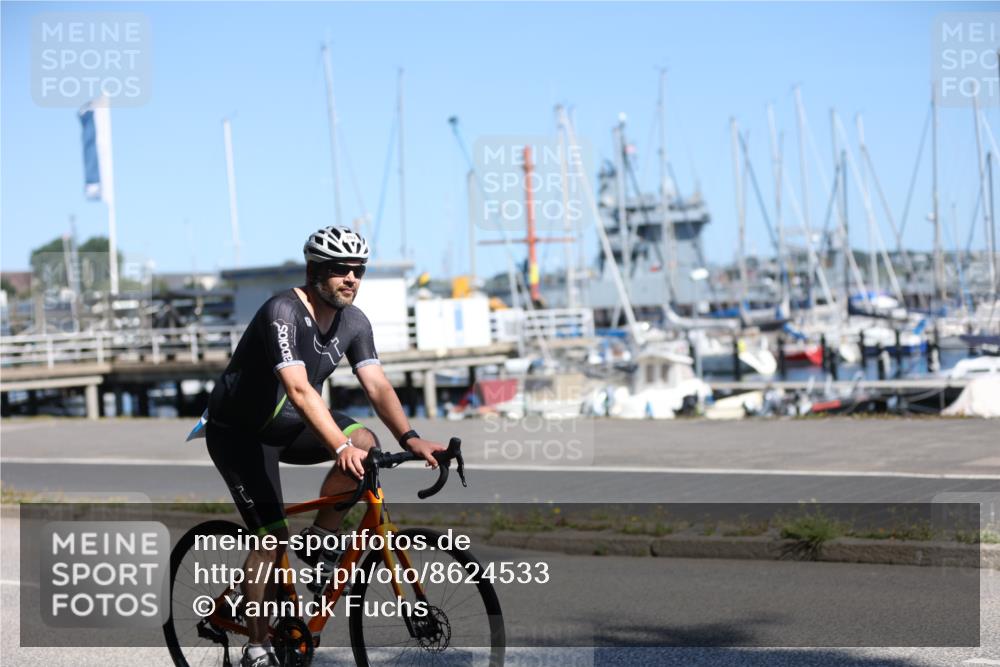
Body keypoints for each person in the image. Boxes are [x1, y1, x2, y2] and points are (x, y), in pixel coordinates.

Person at [204, 225, 445, 667]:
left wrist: (410, 439)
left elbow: (376, 384)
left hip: (291, 426)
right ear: (315, 271)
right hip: (239, 434)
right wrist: (338, 446)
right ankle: (256, 647)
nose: (351, 277)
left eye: (358, 270)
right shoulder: (282, 311)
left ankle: (319, 538)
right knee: (271, 537)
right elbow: (298, 388)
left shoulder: (355, 322)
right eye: (340, 269)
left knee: (367, 441)